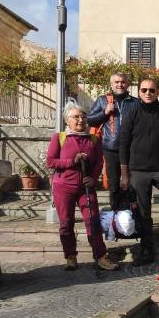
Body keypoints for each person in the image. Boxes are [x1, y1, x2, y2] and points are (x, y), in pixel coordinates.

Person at [46, 104, 118, 271]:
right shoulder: (60, 137)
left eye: (83, 116)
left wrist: (93, 179)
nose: (81, 119)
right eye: (76, 117)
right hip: (63, 187)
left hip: (86, 187)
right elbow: (51, 161)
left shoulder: (93, 139)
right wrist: (73, 161)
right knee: (66, 223)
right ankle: (70, 256)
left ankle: (100, 257)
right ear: (67, 120)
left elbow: (99, 162)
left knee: (93, 222)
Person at [119, 79, 159, 265]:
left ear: (157, 92)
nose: (148, 93)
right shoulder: (131, 113)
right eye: (144, 90)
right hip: (137, 171)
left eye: (151, 90)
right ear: (139, 92)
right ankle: (146, 249)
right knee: (143, 212)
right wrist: (124, 174)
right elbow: (123, 144)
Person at [87, 72, 138, 210]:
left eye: (122, 82)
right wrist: (104, 112)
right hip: (111, 148)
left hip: (131, 149)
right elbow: (90, 120)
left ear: (127, 84)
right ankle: (115, 218)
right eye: (116, 82)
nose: (119, 84)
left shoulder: (135, 102)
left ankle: (131, 219)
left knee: (133, 185)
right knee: (114, 185)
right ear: (111, 84)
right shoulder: (102, 100)